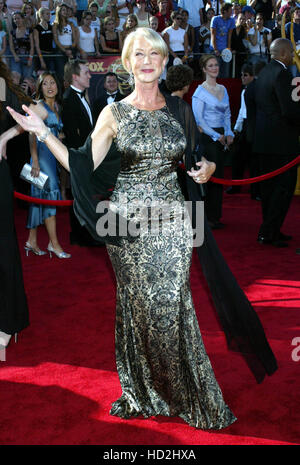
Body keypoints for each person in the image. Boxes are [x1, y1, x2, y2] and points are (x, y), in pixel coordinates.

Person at [8, 27, 278, 427]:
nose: (147, 60)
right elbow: (83, 164)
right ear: (127, 62)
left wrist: (209, 169)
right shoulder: (113, 113)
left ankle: (186, 391)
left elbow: (195, 159)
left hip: (173, 221)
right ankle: (148, 388)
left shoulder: (178, 110)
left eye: (154, 53)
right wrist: (44, 133)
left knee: (173, 303)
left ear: (165, 61)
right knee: (141, 307)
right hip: (127, 225)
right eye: (138, 54)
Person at [0, 58, 46, 358]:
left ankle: (5, 326)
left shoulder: (2, 84)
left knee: (1, 250)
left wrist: (5, 135)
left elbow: (39, 111)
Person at [252, 38, 300, 247]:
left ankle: (271, 230)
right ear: (282, 53)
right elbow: (288, 110)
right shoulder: (282, 74)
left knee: (269, 189)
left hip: (263, 140)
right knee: (283, 189)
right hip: (282, 143)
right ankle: (268, 232)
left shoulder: (263, 72)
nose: (293, 56)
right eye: (291, 52)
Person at [25, 72, 71, 259]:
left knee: (38, 199)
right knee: (50, 196)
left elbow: (51, 131)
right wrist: (35, 161)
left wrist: (60, 137)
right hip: (41, 159)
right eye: (45, 84)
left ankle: (32, 241)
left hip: (52, 157)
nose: (50, 86)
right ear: (39, 87)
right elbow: (31, 134)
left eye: (53, 82)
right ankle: (54, 244)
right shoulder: (37, 105)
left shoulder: (57, 105)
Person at [192, 53, 234, 229]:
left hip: (222, 137)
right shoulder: (199, 92)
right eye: (210, 65)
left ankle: (215, 217)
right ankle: (206, 219)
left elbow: (227, 113)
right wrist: (218, 136)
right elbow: (199, 121)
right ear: (204, 69)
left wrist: (229, 132)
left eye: (216, 65)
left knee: (220, 177)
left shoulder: (223, 89)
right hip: (208, 138)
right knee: (210, 178)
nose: (215, 68)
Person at [61, 58, 97, 245]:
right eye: (86, 73)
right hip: (79, 158)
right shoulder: (68, 99)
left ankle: (87, 232)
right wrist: (82, 160)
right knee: (80, 196)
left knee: (87, 196)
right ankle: (80, 235)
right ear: (75, 77)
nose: (90, 75)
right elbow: (72, 137)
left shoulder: (83, 96)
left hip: (88, 156)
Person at [226, 62, 258, 196]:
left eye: (245, 75)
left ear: (252, 76)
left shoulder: (256, 90)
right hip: (245, 125)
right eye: (241, 75)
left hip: (254, 125)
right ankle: (236, 185)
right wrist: (237, 129)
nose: (242, 78)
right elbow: (241, 110)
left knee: (253, 159)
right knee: (238, 157)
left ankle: (255, 189)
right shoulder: (244, 91)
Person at [52, 3, 78, 80]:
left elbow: (75, 38)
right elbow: (56, 40)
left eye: (66, 10)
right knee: (61, 74)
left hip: (71, 49)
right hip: (60, 50)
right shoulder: (55, 25)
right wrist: (65, 51)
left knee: (72, 74)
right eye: (63, 10)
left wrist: (72, 48)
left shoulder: (71, 23)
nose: (65, 12)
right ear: (59, 11)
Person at [9, 10, 35, 84]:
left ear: (23, 19)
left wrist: (30, 58)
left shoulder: (29, 31)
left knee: (26, 80)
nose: (16, 20)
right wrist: (15, 56)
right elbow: (11, 46)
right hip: (16, 58)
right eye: (15, 19)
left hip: (27, 57)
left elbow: (32, 46)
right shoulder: (12, 32)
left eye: (18, 18)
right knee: (15, 78)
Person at [210, 2, 236, 77]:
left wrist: (228, 49)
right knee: (215, 73)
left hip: (225, 51)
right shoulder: (215, 19)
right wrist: (215, 49)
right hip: (216, 51)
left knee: (225, 73)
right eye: (230, 10)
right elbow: (213, 35)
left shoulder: (231, 21)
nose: (232, 12)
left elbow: (229, 36)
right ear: (225, 11)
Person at [34, 7, 56, 73]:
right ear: (41, 15)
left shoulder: (51, 27)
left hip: (51, 53)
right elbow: (37, 46)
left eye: (49, 14)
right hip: (42, 54)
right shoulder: (37, 28)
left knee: (52, 74)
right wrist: (41, 60)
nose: (49, 15)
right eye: (47, 14)